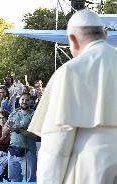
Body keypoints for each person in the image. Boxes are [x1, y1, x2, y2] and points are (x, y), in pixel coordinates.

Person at [28, 9, 117, 184]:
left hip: (93, 172)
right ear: (104, 35)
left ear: (73, 40)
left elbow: (56, 146)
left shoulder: (70, 72)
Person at [7, 92, 37, 182]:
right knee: (14, 179)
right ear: (19, 101)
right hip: (12, 151)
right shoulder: (14, 113)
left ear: (31, 102)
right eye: (22, 99)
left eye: (27, 100)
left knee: (30, 180)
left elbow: (35, 133)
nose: (24, 101)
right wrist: (8, 127)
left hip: (28, 152)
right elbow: (5, 129)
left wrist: (18, 130)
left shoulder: (34, 115)